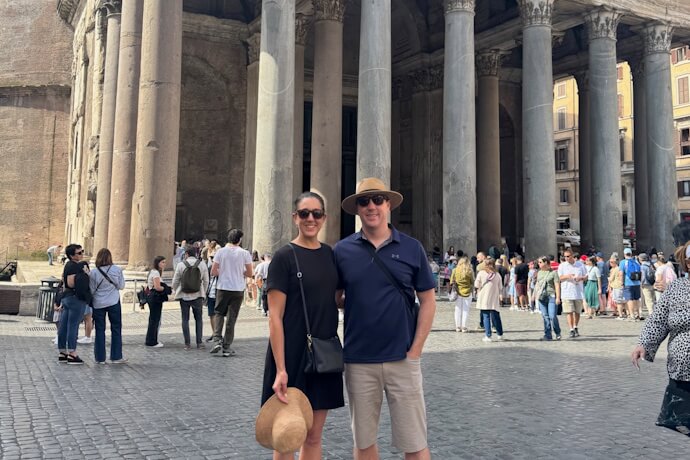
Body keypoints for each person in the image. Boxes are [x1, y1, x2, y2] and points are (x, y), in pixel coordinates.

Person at [334, 178, 436, 460]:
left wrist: (415, 351)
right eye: (364, 201)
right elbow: (336, 296)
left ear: (388, 204)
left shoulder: (412, 248)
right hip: (358, 360)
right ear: (357, 209)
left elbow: (428, 301)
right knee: (364, 442)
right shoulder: (342, 251)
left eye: (378, 199)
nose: (372, 206)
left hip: (402, 358)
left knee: (415, 442)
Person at [261, 192, 343, 459]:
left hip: (324, 353)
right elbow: (275, 317)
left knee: (313, 436)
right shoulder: (284, 257)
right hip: (293, 354)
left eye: (316, 213)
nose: (311, 219)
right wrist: (281, 369)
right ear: (295, 217)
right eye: (305, 213)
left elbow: (335, 300)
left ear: (324, 218)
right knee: (286, 436)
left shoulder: (330, 255)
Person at [632, 242, 690, 435]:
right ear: (688, 264)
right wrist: (644, 344)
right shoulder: (676, 289)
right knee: (685, 421)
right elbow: (658, 320)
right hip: (683, 371)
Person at [210, 228, 253, 357]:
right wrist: (240, 272)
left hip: (223, 287)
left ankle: (217, 339)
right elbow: (250, 273)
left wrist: (223, 272)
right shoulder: (244, 253)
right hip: (238, 288)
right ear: (239, 240)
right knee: (231, 317)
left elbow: (213, 271)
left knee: (218, 313)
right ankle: (227, 346)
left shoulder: (220, 252)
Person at [89, 248, 126, 364]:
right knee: (116, 328)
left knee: (100, 329)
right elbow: (121, 286)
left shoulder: (94, 272)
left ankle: (100, 358)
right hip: (113, 301)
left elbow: (91, 289)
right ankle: (116, 356)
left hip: (98, 303)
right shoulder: (117, 270)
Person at [57, 244, 90, 364]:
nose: (82, 254)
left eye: (82, 251)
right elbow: (71, 283)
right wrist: (84, 276)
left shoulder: (69, 265)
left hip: (67, 298)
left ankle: (62, 351)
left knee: (64, 325)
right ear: (71, 255)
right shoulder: (73, 266)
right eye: (79, 253)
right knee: (73, 326)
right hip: (75, 298)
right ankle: (72, 353)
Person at [172, 246, 209, 350]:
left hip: (184, 296)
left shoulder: (180, 265)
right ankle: (199, 342)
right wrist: (203, 292)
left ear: (186, 254)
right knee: (199, 319)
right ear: (196, 254)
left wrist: (176, 289)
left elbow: (175, 281)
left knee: (185, 319)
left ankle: (187, 343)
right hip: (198, 295)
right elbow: (206, 281)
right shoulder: (202, 265)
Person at [558, 249, 587, 338]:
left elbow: (586, 276)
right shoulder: (562, 266)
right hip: (567, 291)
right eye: (565, 256)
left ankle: (575, 326)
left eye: (568, 256)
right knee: (569, 311)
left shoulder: (580, 265)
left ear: (572, 256)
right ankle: (571, 329)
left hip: (578, 291)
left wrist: (580, 278)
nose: (566, 258)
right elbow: (560, 278)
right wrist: (568, 276)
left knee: (577, 312)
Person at [475, 257, 504, 342]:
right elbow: (500, 287)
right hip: (494, 297)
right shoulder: (497, 275)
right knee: (496, 316)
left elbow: (476, 285)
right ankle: (500, 334)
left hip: (484, 297)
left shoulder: (481, 273)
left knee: (486, 316)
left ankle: (488, 336)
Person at [535, 256, 561, 340]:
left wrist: (558, 297)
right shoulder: (539, 273)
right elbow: (537, 284)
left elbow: (557, 285)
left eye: (540, 262)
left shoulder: (553, 273)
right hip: (541, 297)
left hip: (551, 296)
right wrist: (533, 295)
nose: (538, 264)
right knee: (545, 316)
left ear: (546, 262)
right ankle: (548, 334)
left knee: (552, 316)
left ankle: (557, 332)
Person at [145, 256, 168, 348]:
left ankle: (152, 339)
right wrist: (166, 289)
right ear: (158, 263)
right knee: (155, 320)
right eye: (162, 262)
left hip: (152, 298)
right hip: (155, 298)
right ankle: (152, 341)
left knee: (153, 319)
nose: (164, 264)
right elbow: (157, 287)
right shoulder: (156, 273)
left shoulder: (154, 272)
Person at [449, 256, 474, 332]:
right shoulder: (469, 271)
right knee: (465, 310)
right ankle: (464, 326)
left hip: (457, 291)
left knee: (457, 309)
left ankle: (457, 326)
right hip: (467, 292)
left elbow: (451, 282)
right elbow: (472, 282)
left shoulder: (455, 270)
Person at [620, 247, 642, 321]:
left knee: (629, 299)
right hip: (637, 283)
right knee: (637, 299)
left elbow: (621, 273)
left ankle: (632, 315)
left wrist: (621, 282)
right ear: (631, 254)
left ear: (624, 254)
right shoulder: (636, 261)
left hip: (628, 283)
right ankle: (639, 314)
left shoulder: (623, 262)